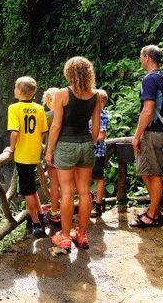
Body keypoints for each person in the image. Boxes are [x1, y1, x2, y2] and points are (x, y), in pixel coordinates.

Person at [45, 57, 101, 251]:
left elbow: (56, 125)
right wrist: (89, 143)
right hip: (86, 143)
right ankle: (82, 235)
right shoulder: (96, 95)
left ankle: (65, 236)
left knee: (67, 191)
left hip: (66, 145)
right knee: (84, 191)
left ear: (69, 73)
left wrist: (49, 150)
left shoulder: (62, 94)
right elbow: (96, 126)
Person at [129, 45, 163, 228]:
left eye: (141, 56)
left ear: (147, 57)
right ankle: (155, 212)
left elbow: (148, 110)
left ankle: (153, 215)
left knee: (153, 174)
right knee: (149, 171)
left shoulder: (150, 79)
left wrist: (137, 135)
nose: (140, 60)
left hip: (152, 131)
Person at [4, 76, 50, 237]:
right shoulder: (39, 108)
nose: (14, 90)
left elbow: (15, 132)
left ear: (20, 91)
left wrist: (11, 148)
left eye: (15, 87)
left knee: (28, 191)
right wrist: (39, 145)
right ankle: (42, 214)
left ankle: (36, 222)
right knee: (31, 186)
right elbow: (43, 132)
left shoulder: (14, 108)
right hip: (35, 153)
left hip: (22, 155)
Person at [42, 87, 61, 226]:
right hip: (69, 153)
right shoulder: (68, 113)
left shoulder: (48, 116)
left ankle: (55, 211)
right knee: (68, 185)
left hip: (53, 154)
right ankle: (67, 210)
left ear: (48, 100)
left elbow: (40, 135)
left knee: (54, 184)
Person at [90, 89, 110, 218]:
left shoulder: (102, 115)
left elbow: (101, 135)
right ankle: (89, 201)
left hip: (97, 152)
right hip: (88, 152)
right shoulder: (91, 114)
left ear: (102, 102)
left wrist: (86, 140)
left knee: (98, 177)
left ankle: (98, 204)